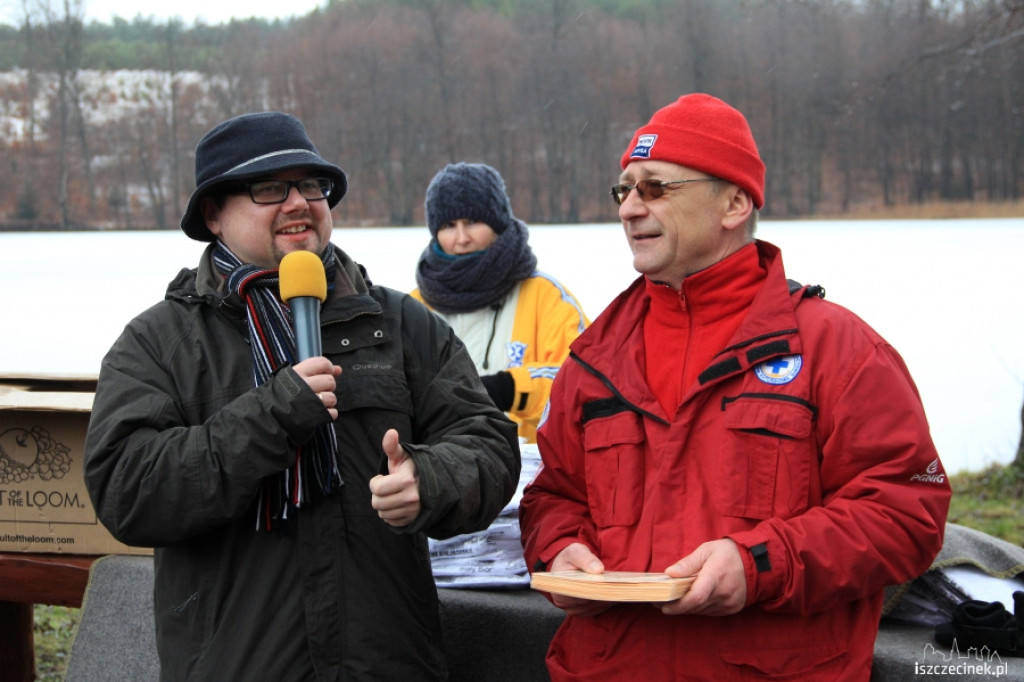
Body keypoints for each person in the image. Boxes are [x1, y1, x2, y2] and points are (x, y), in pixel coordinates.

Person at [518, 93, 951, 681]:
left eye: (655, 188)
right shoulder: (595, 359)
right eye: (624, 189)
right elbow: (553, 495)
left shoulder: (836, 349)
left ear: (734, 203)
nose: (629, 209)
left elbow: (906, 511)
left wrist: (760, 564)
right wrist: (558, 548)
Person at [83, 112, 520, 682]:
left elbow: (489, 443)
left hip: (388, 665)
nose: (298, 203)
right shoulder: (160, 342)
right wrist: (270, 415)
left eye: (311, 186)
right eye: (269, 188)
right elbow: (127, 490)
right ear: (214, 213)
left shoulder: (398, 324)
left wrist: (430, 479)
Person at [410, 162, 589, 443]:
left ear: (498, 224)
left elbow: (585, 382)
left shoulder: (546, 296)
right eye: (448, 225)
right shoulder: (414, 306)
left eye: (472, 222)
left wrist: (509, 389)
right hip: (437, 469)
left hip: (529, 470)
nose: (461, 238)